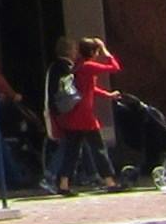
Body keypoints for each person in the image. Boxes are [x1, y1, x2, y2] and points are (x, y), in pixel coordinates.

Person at [49, 36, 117, 195]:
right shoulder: (89, 66)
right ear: (93, 52)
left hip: (73, 116)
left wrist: (108, 95)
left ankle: (64, 184)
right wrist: (106, 51)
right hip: (85, 116)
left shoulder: (78, 66)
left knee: (71, 152)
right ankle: (110, 181)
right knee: (98, 149)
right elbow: (114, 68)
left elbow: (89, 88)